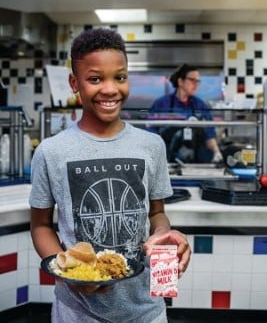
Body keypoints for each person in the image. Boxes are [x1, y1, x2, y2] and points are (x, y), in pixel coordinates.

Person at [29, 28, 191, 323]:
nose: (110, 89)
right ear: (74, 83)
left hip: (146, 310)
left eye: (120, 77)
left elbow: (157, 214)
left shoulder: (152, 145)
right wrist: (72, 275)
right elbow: (40, 226)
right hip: (77, 311)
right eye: (94, 79)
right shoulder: (51, 151)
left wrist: (163, 235)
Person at [149, 64, 223, 164]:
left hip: (196, 165)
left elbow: (209, 135)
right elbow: (150, 134)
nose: (196, 84)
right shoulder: (161, 104)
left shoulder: (200, 106)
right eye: (192, 80)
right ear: (180, 81)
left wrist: (216, 152)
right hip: (167, 163)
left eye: (197, 81)